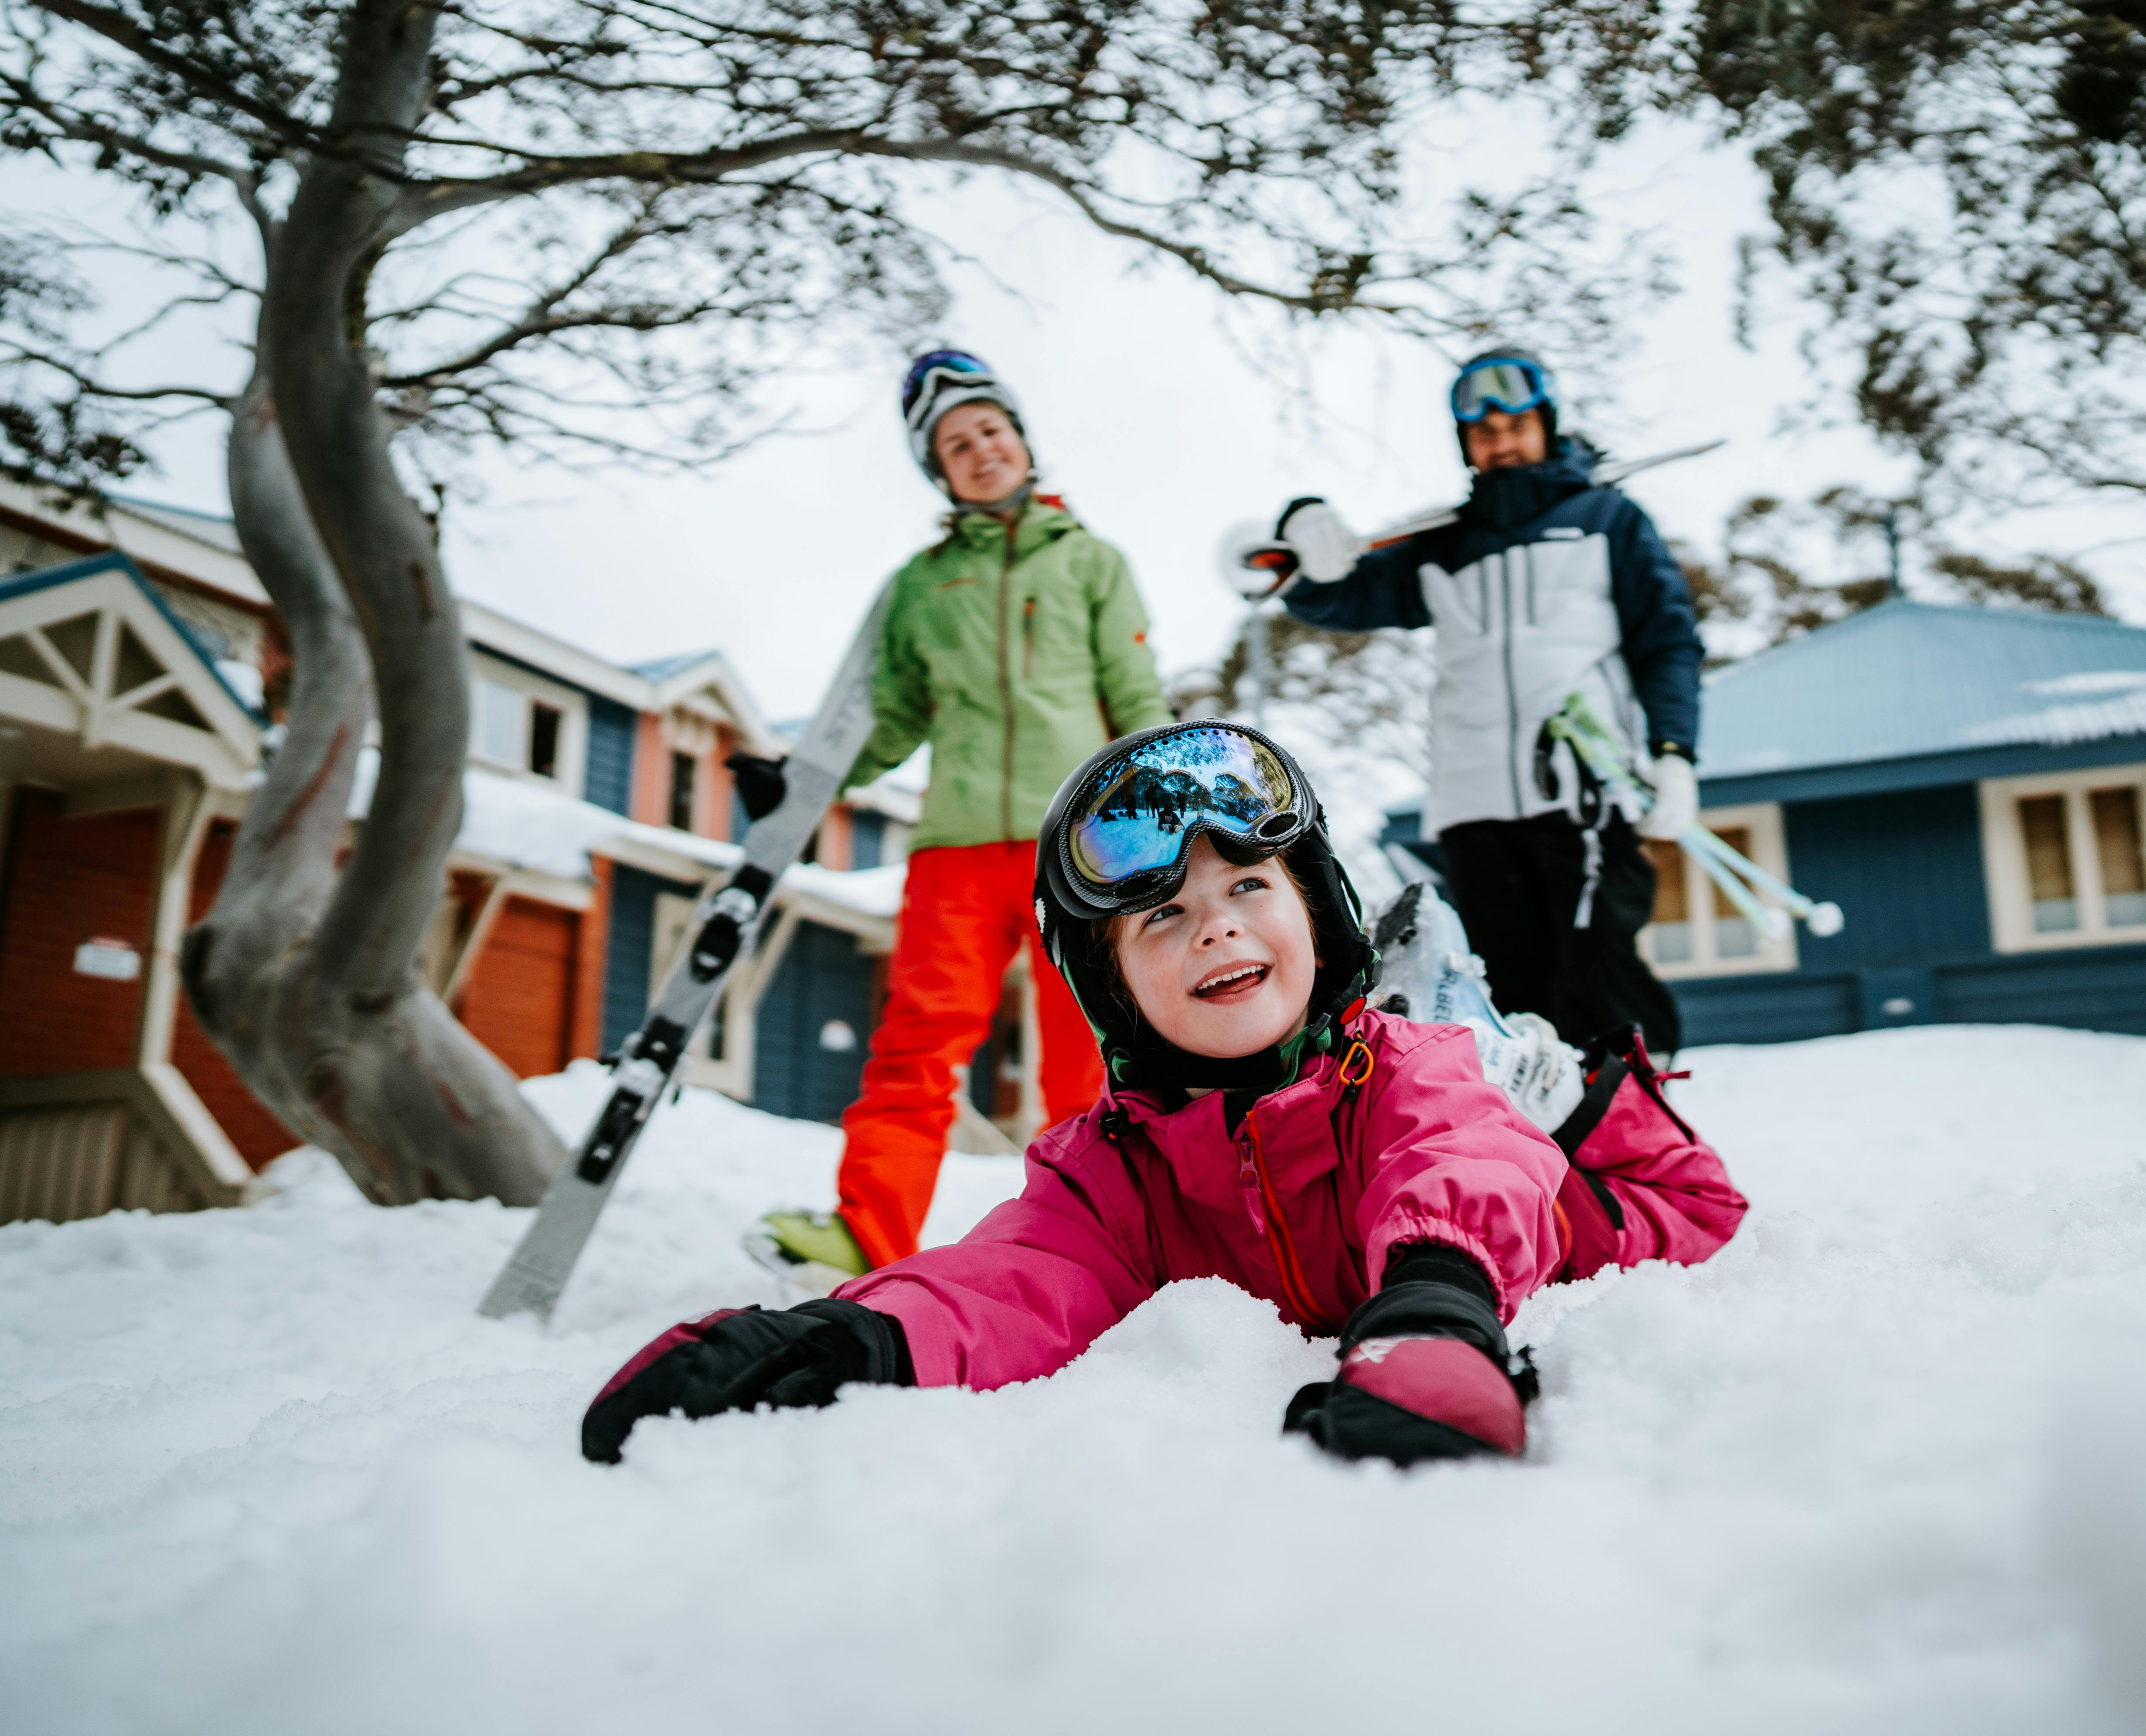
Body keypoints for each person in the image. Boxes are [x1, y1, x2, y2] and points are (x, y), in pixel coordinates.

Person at [587, 723, 1746, 1469]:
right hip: (1424, 1174)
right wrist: (859, 1334)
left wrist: (1434, 1312)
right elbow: (1024, 1272)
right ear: (1115, 989)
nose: (1218, 926)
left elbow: (1453, 1165)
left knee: (1477, 1080)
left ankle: (1496, 1038)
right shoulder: (1113, 1161)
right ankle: (1453, 998)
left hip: (1600, 1185)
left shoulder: (1402, 1075)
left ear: (1315, 915)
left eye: (1249, 884)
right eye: (1163, 917)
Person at [750, 351, 1175, 1287]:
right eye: (955, 444)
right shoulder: (919, 584)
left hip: (1079, 842)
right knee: (916, 1043)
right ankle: (868, 1230)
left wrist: (1162, 813)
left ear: (1022, 440)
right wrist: (804, 782)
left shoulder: (1092, 562)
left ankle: (1114, 1232)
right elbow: (893, 718)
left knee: (1094, 1050)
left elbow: (1134, 696)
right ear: (937, 470)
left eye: (991, 430)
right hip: (953, 848)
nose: (980, 450)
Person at [1272, 349, 1705, 1052]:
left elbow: (1669, 643)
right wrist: (1306, 533)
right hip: (1474, 808)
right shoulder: (1445, 546)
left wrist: (1676, 752)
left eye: (1516, 423)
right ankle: (1534, 1160)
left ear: (1546, 424)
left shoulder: (1609, 520)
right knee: (1506, 995)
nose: (1500, 440)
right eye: (1482, 431)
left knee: (1601, 985)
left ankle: (1637, 1145)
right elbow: (1333, 596)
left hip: (1582, 795)